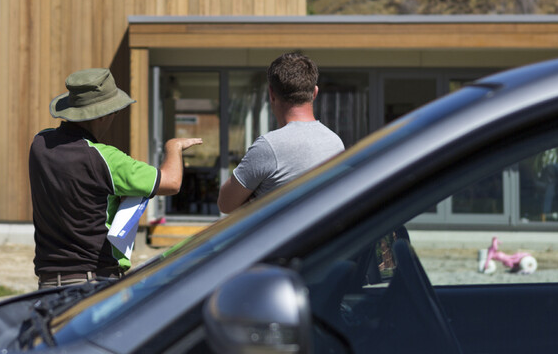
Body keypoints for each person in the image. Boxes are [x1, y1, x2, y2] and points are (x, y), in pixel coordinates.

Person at [30, 68, 202, 289]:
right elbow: (171, 182)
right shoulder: (105, 159)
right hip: (93, 281)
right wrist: (173, 147)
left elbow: (79, 190)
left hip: (48, 283)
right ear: (103, 114)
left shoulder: (40, 144)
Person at [217, 52, 344, 214]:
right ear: (315, 93)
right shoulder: (335, 143)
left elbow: (225, 204)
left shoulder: (268, 147)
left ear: (271, 94)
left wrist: (254, 196)